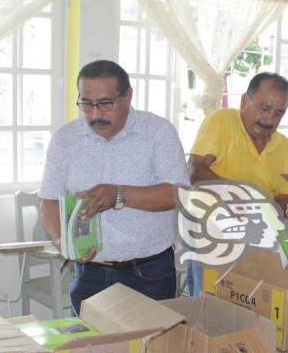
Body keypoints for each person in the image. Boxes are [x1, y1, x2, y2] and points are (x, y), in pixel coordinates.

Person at [39, 60, 189, 315]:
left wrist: (119, 194)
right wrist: (62, 242)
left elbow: (178, 194)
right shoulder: (65, 140)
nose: (95, 114)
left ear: (127, 96)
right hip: (90, 275)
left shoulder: (157, 132)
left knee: (151, 352)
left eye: (105, 104)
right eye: (86, 103)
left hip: (150, 274)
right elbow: (49, 201)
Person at [186, 72, 288, 295]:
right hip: (214, 239)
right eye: (264, 109)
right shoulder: (222, 121)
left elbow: (285, 198)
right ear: (245, 101)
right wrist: (243, 197)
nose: (269, 121)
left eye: (278, 114)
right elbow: (194, 171)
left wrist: (268, 216)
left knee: (251, 308)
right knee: (208, 309)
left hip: (260, 243)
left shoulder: (283, 146)